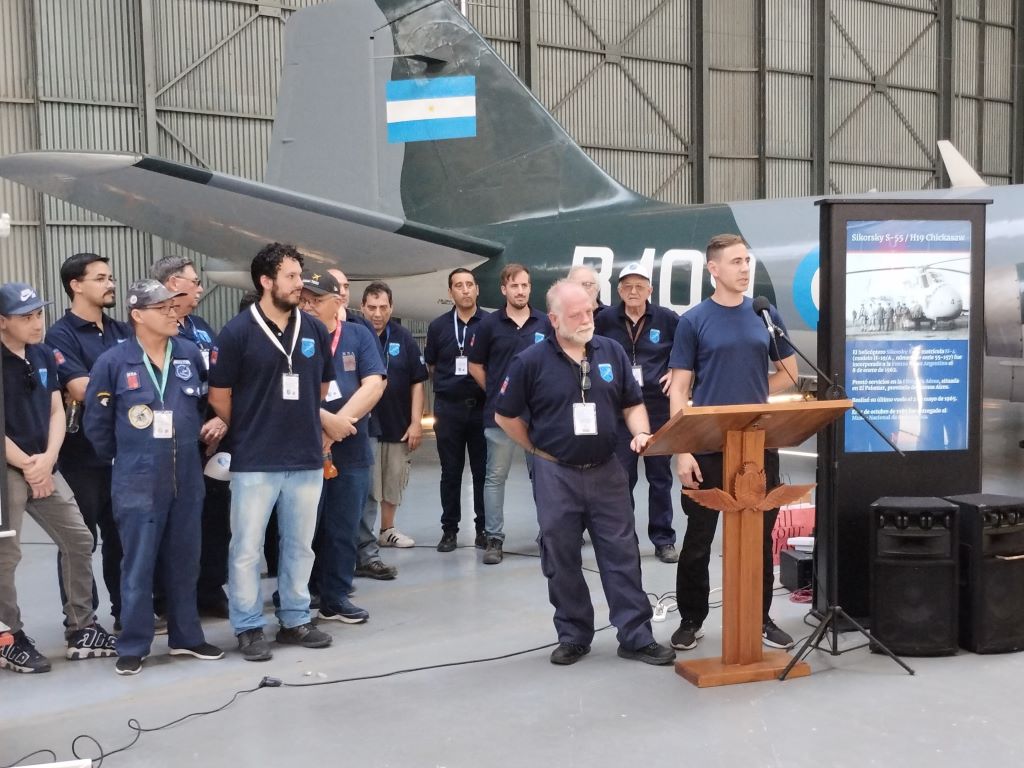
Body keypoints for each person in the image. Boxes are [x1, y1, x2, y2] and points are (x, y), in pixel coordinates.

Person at [494, 280, 675, 667]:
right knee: (561, 556)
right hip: (556, 474)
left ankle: (636, 635)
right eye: (576, 314)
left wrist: (641, 431)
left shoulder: (610, 352)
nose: (586, 319)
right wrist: (535, 449)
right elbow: (504, 415)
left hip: (607, 470)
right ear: (555, 318)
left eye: (590, 311)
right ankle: (574, 634)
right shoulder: (531, 361)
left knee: (622, 553)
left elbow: (633, 403)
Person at [667, 234, 799, 652]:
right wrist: (681, 449)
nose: (745, 269)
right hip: (707, 443)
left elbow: (789, 373)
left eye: (748, 261)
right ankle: (691, 618)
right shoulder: (693, 321)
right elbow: (679, 388)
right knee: (698, 538)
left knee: (760, 536)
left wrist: (754, 396)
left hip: (758, 441)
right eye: (736, 262)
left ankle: (758, 616)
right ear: (714, 269)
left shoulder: (764, 313)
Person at [84, 280, 224, 675]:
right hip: (137, 478)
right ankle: (134, 643)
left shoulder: (189, 353)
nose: (172, 312)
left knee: (185, 559)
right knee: (138, 563)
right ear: (137, 314)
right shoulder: (114, 362)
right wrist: (130, 458)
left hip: (186, 475)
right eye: (162, 308)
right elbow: (97, 425)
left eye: (174, 306)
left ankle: (187, 637)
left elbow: (201, 403)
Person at [208, 242, 335, 661]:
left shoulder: (315, 330)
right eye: (292, 277)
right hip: (255, 458)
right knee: (246, 547)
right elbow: (220, 394)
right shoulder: (237, 332)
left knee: (300, 544)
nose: (301, 285)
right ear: (266, 281)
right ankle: (247, 627)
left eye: (300, 276)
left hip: (304, 456)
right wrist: (249, 425)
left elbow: (317, 390)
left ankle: (295, 618)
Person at [0, 283, 117, 673]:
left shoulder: (44, 353)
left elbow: (55, 410)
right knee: (6, 555)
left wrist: (48, 460)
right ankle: (7, 636)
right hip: (8, 467)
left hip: (44, 462)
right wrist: (30, 466)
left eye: (38, 315)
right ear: (2, 322)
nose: (36, 323)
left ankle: (82, 627)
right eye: (25, 317)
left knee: (79, 538)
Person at [44, 252, 131, 628]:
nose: (110, 284)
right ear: (75, 285)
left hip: (124, 452)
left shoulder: (122, 331)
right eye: (100, 278)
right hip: (82, 456)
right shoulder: (59, 335)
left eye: (110, 277)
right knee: (81, 540)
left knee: (123, 538)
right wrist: (123, 389)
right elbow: (80, 389)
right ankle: (82, 620)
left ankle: (126, 611)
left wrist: (112, 388)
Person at [299, 271, 386, 623]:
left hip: (349, 449)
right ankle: (299, 595)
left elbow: (374, 384)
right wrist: (322, 418)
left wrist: (336, 427)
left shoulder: (358, 335)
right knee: (303, 528)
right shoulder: (294, 336)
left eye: (316, 300)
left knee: (343, 526)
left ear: (337, 302)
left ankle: (335, 595)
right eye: (304, 299)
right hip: (304, 449)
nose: (307, 306)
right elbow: (287, 388)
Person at [151, 255, 230, 617]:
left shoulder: (200, 327)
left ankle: (211, 590)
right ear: (172, 284)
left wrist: (222, 422)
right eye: (193, 281)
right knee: (171, 524)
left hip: (213, 439)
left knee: (215, 521)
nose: (199, 288)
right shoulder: (154, 329)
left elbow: (220, 378)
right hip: (173, 443)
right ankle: (168, 599)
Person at [594, 262, 680, 563]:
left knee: (660, 478)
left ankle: (663, 539)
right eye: (627, 286)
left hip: (657, 409)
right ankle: (624, 540)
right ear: (618, 290)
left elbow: (687, 350)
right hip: (620, 411)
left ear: (650, 290)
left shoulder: (667, 319)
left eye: (640, 286)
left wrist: (678, 372)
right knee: (621, 478)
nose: (633, 291)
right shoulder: (604, 319)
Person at [467, 264, 550, 564]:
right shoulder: (489, 324)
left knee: (543, 477)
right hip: (500, 416)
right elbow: (475, 364)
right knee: (495, 477)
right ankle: (494, 539)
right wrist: (497, 392)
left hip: (538, 416)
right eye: (514, 286)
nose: (520, 291)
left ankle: (549, 535)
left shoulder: (544, 322)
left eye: (525, 285)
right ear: (504, 289)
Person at [358, 281, 428, 553]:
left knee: (393, 480)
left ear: (392, 308)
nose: (377, 313)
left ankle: (387, 530)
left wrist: (415, 423)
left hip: (397, 423)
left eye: (383, 307)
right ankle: (361, 539)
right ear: (362, 307)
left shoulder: (403, 337)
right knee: (367, 486)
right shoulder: (354, 333)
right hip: (365, 427)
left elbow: (417, 381)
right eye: (372, 307)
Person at [424, 268, 488, 552]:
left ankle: (484, 529)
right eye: (458, 286)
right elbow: (432, 366)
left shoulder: (490, 323)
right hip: (448, 409)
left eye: (469, 285)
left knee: (482, 472)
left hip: (482, 409)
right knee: (450, 472)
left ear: (477, 289)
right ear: (450, 292)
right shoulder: (438, 326)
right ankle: (449, 529)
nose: (465, 290)